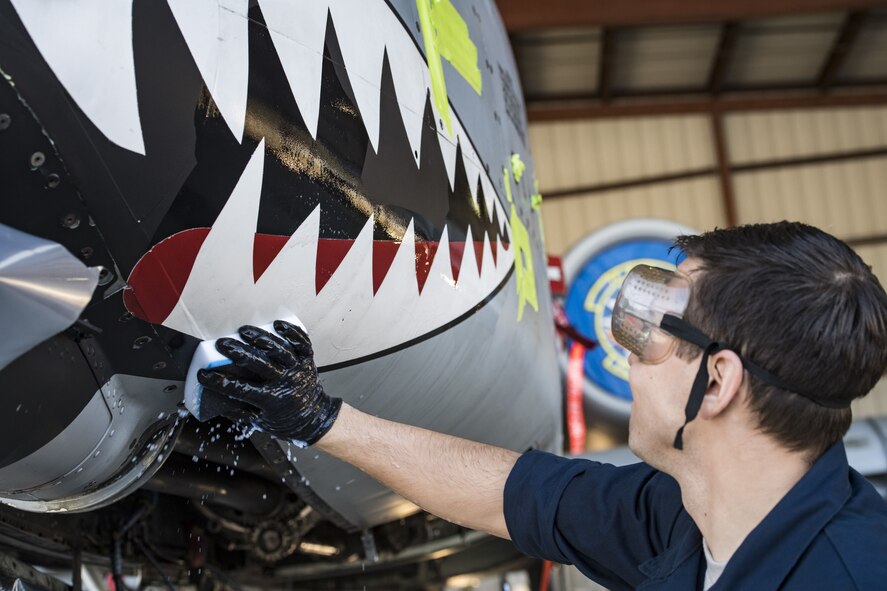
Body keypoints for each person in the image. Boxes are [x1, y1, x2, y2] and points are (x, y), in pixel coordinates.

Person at [197, 221, 887, 590]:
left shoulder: (853, 574)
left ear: (716, 381)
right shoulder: (679, 516)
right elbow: (509, 492)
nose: (624, 357)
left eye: (646, 334)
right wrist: (318, 417)